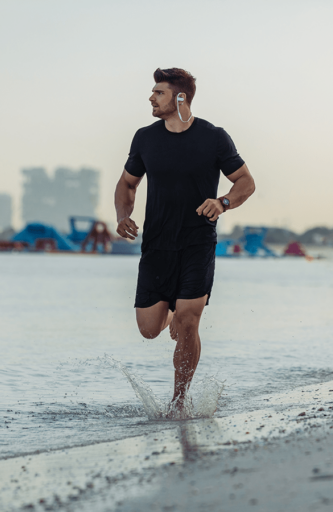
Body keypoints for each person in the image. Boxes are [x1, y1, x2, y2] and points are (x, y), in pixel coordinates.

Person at [114, 68, 256, 415]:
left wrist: (222, 202)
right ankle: (172, 309)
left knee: (190, 320)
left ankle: (178, 402)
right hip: (157, 245)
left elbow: (245, 182)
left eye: (158, 92)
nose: (150, 97)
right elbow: (127, 185)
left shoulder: (213, 137)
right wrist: (122, 216)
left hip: (197, 241)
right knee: (149, 330)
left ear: (180, 98)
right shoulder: (145, 138)